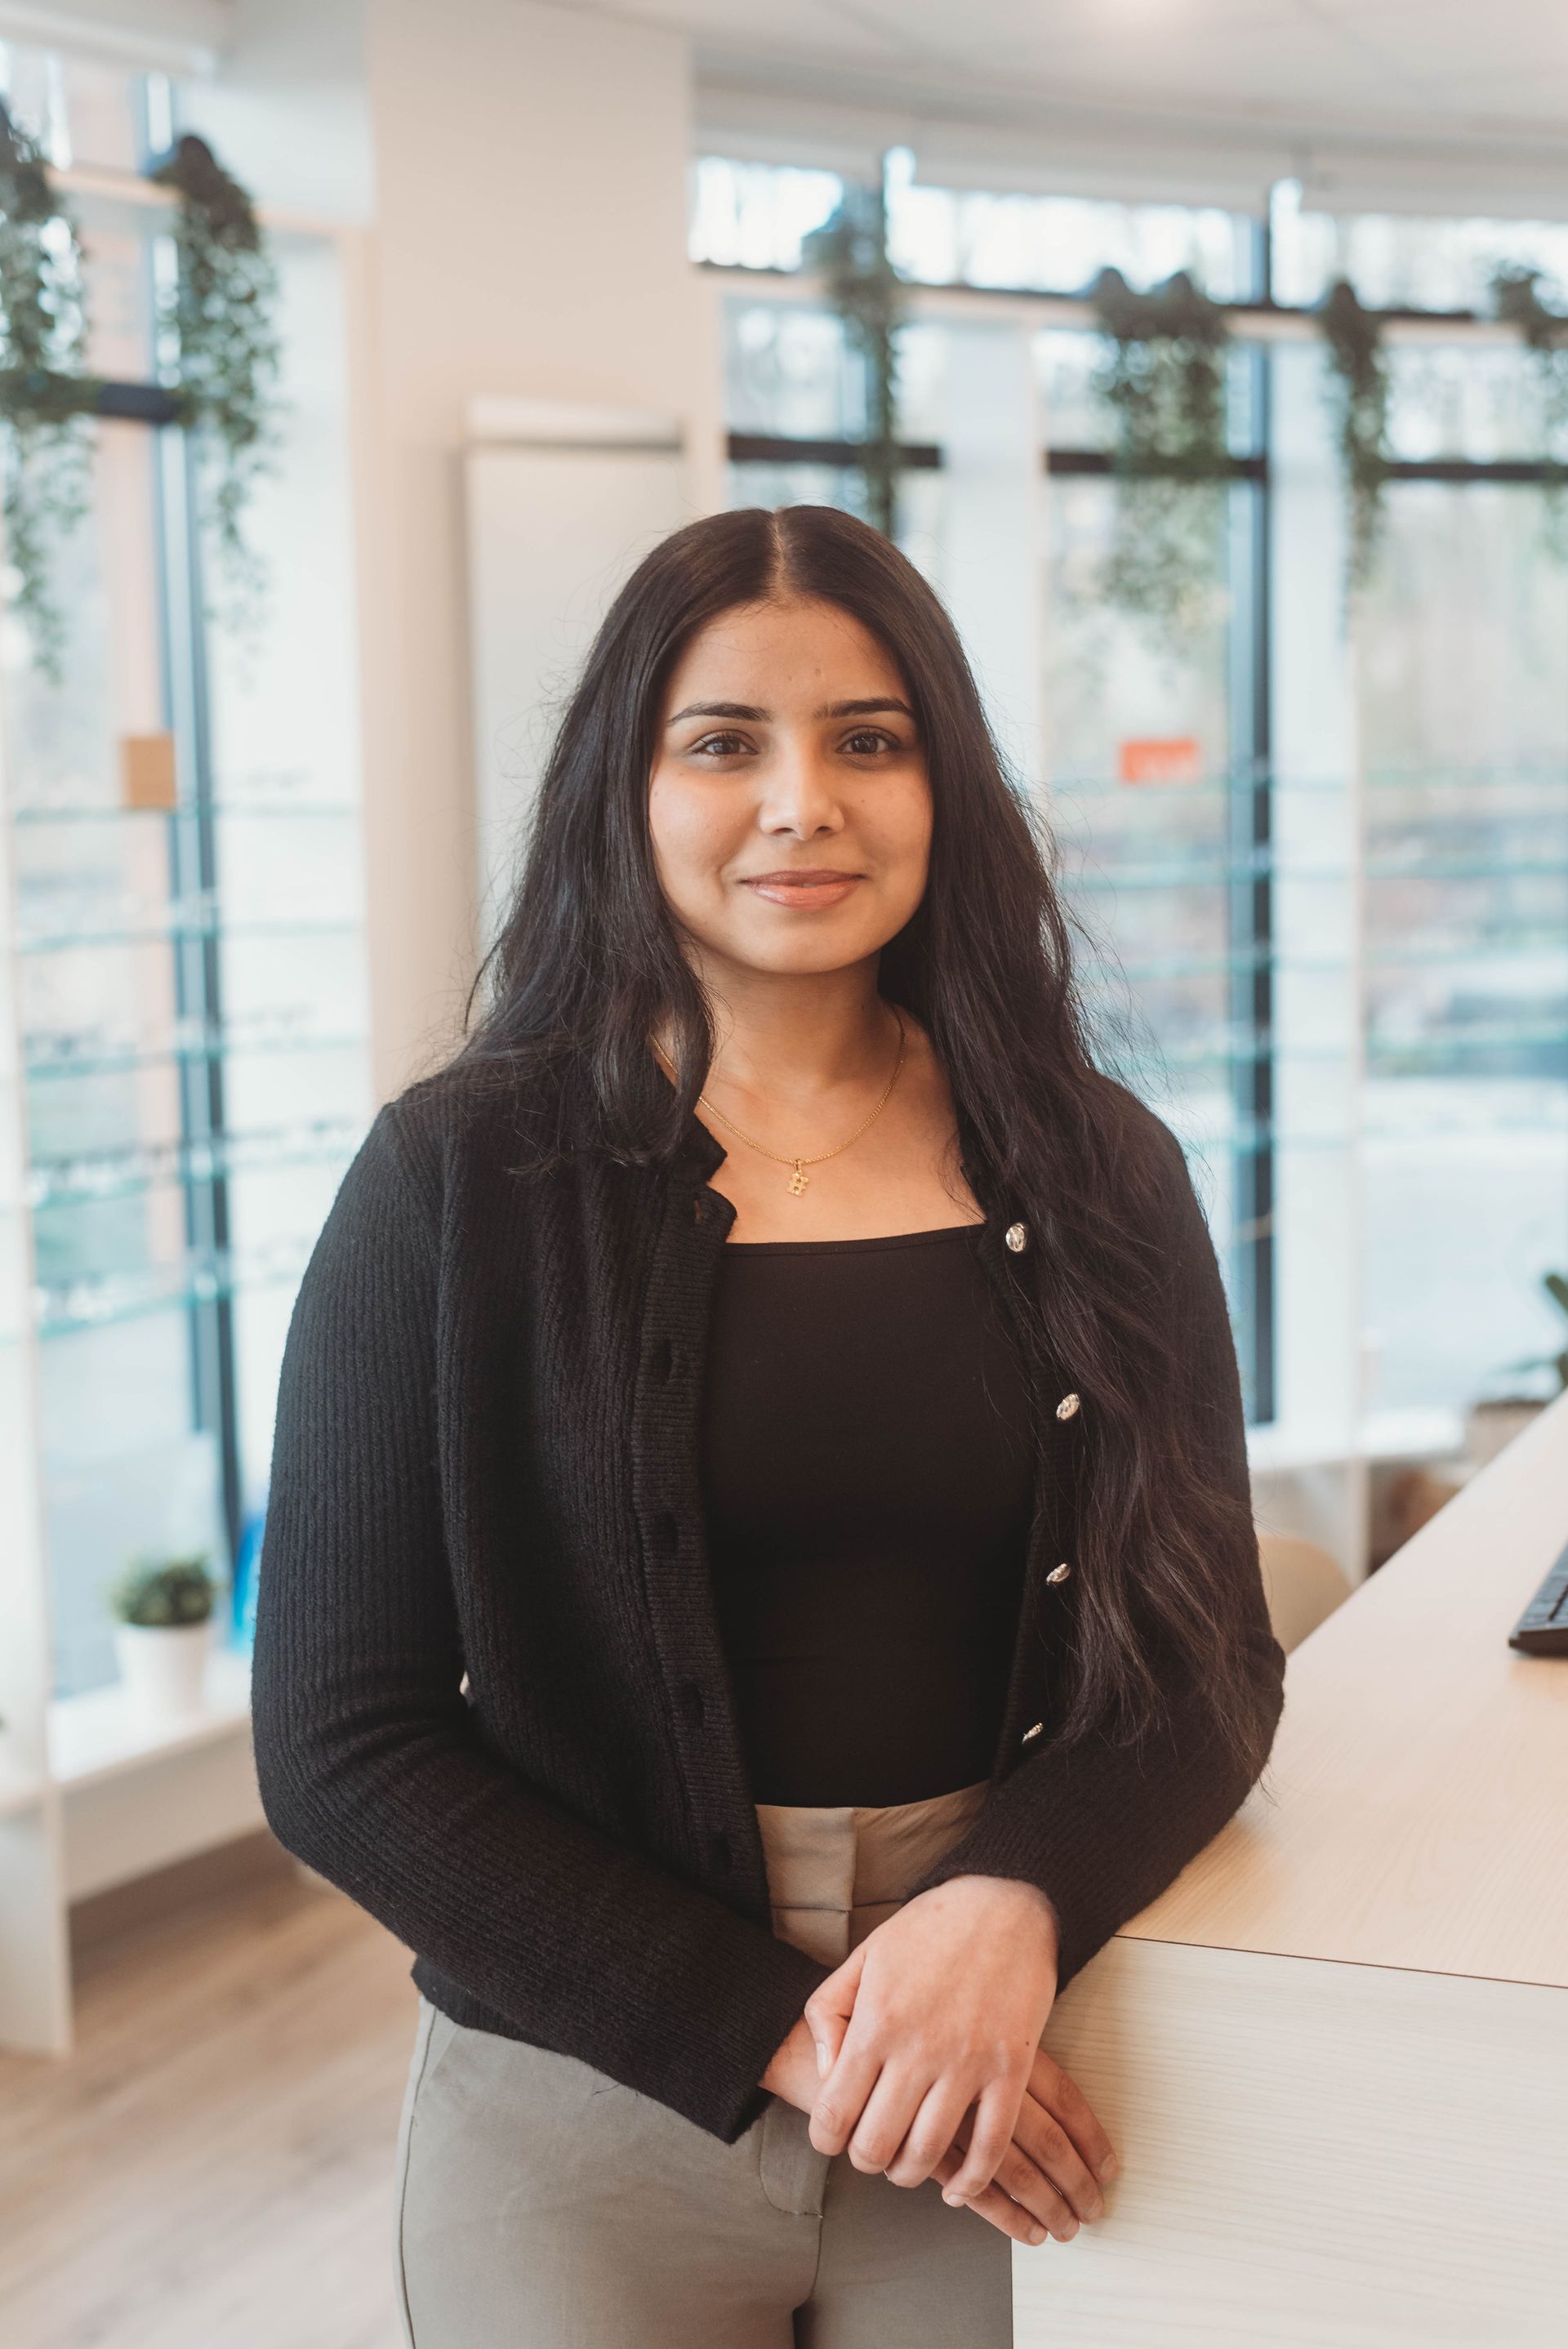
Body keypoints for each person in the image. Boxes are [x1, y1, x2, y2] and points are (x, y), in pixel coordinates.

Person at [252, 504, 1286, 2347]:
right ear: (623, 791)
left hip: (1004, 2058)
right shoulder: (453, 1178)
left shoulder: (1103, 1164)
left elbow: (1207, 1664)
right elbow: (343, 1739)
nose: (802, 802)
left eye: (868, 740)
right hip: (584, 2085)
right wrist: (797, 2039)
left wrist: (1011, 1901)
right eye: (724, 741)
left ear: (944, 783)